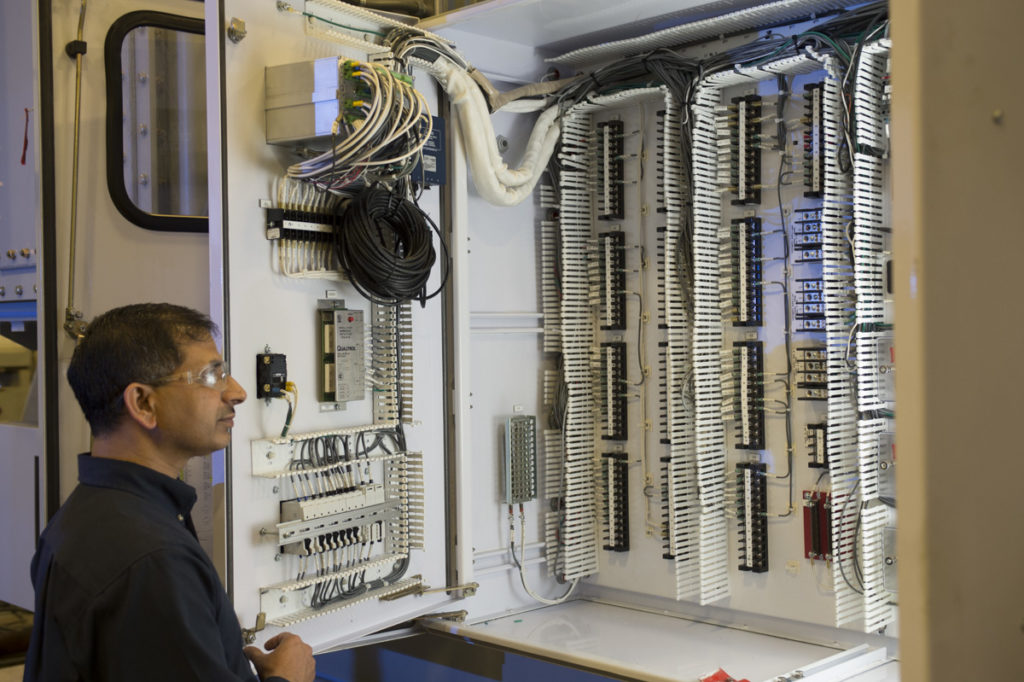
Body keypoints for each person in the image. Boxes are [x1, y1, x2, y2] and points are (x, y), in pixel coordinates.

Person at [24, 303, 316, 682]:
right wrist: (287, 679)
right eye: (212, 376)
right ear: (144, 403)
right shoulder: (151, 558)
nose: (238, 392)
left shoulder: (87, 515)